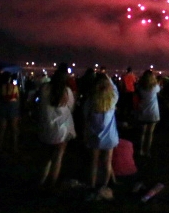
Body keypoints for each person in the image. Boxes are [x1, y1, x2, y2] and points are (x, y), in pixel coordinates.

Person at [38, 63, 76, 190]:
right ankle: (52, 184)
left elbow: (40, 105)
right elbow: (71, 108)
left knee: (46, 158)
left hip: (46, 127)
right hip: (62, 129)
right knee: (57, 159)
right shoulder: (67, 91)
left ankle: (42, 181)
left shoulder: (44, 88)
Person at [84, 73, 119, 201]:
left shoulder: (91, 101)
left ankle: (92, 186)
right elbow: (115, 89)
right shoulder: (112, 99)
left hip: (95, 137)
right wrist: (107, 77)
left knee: (94, 163)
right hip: (110, 137)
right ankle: (104, 186)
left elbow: (85, 116)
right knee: (107, 162)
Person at [136, 69, 161, 157]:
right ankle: (147, 151)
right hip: (153, 112)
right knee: (150, 133)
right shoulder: (155, 87)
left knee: (142, 133)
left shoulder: (140, 87)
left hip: (143, 111)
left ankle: (140, 150)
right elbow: (159, 89)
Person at [0, 72, 21, 153]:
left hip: (3, 106)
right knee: (14, 129)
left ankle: (0, 146)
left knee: (2, 128)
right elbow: (17, 97)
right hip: (13, 106)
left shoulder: (1, 87)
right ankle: (15, 147)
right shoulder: (15, 87)